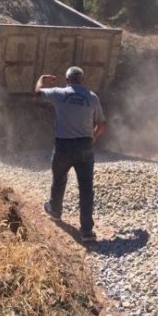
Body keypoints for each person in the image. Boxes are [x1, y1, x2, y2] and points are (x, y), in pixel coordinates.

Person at [35, 66, 106, 243]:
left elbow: (36, 93)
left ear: (67, 80)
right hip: (85, 145)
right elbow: (102, 124)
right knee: (86, 188)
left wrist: (42, 79)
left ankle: (56, 210)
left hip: (63, 146)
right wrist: (93, 137)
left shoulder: (59, 93)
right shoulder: (92, 97)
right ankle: (87, 231)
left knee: (59, 179)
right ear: (82, 80)